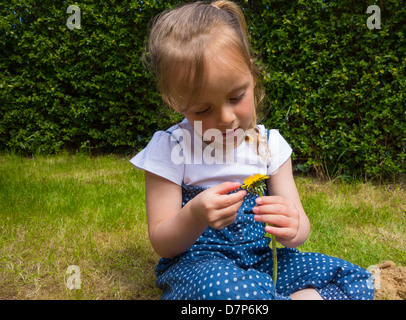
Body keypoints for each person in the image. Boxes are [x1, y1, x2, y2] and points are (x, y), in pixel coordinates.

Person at [130, 0, 374, 300]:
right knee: (224, 292)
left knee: (354, 278)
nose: (225, 118)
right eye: (203, 109)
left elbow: (299, 229)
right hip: (200, 266)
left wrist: (293, 227)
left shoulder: (270, 145)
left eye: (236, 96)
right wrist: (194, 214)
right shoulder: (169, 147)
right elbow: (163, 243)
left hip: (265, 261)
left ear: (253, 77)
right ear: (176, 103)